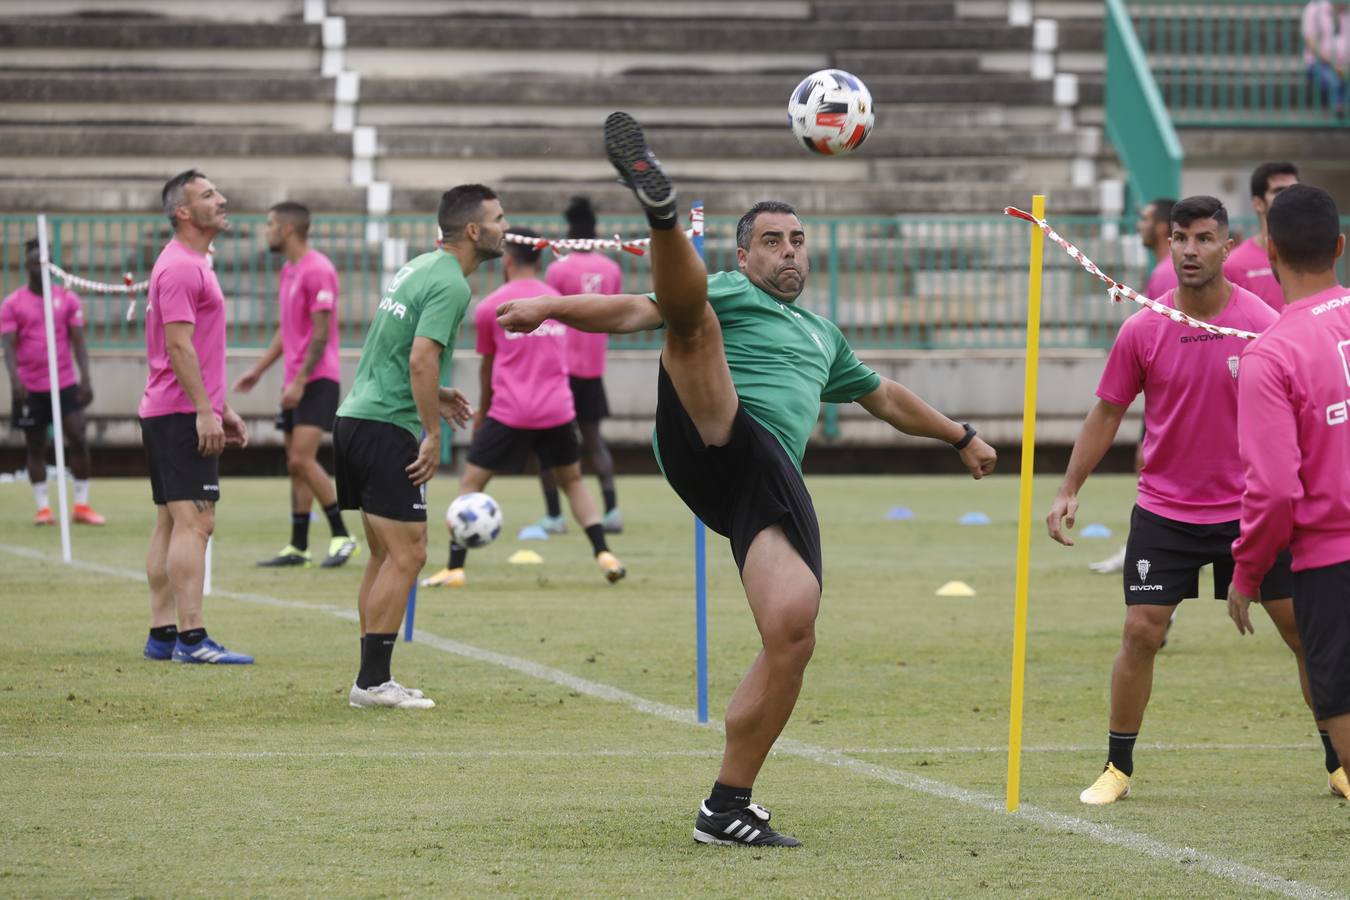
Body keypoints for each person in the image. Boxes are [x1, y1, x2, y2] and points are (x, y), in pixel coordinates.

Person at [497, 112, 998, 847]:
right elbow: (639, 309)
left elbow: (883, 397)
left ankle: (726, 806)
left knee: (792, 631)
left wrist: (960, 435)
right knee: (689, 316)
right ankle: (662, 216)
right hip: (712, 428)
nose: (788, 253)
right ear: (743, 252)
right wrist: (550, 306)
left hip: (756, 483)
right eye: (772, 241)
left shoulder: (824, 335)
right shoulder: (732, 290)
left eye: (796, 241)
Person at [1046, 195, 1335, 805]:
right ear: (1168, 244)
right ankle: (1117, 768)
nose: (1189, 251)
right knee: (1140, 633)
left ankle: (1338, 762)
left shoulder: (1263, 322)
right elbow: (1107, 412)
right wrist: (1070, 488)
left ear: (1228, 247)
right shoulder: (1144, 325)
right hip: (1165, 511)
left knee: (1303, 634)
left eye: (1204, 239)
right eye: (1180, 238)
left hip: (1249, 512)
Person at [331, 184, 485, 709]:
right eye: (499, 219)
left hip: (356, 418)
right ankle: (372, 684)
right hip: (386, 429)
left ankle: (370, 677)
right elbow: (421, 358)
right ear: (472, 230)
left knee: (383, 554)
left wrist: (436, 394)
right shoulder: (452, 285)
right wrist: (434, 433)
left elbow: (395, 353)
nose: (506, 229)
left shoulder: (418, 267)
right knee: (410, 553)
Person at [420, 227, 626, 590]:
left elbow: (488, 366)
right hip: (557, 410)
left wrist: (483, 412)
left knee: (471, 483)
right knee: (573, 482)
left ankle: (455, 567)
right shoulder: (559, 302)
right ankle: (603, 553)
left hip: (510, 411)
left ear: (509, 260)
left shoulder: (490, 306)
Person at [1230, 184, 1350, 799]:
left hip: (1332, 563)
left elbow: (1274, 490)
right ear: (1339, 245)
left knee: (1341, 704)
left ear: (1269, 250)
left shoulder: (1271, 354)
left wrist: (1248, 571)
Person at [139, 169, 252, 665]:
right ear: (182, 212)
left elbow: (195, 349)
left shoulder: (192, 262)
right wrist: (205, 411)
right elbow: (178, 346)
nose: (221, 200)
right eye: (208, 195)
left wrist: (221, 406)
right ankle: (192, 638)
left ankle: (162, 635)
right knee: (197, 523)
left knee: (170, 521)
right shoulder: (182, 267)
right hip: (181, 412)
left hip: (176, 408)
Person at [232, 201, 359, 569]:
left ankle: (342, 535)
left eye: (270, 224)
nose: (266, 230)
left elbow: (320, 335)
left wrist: (301, 381)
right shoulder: (289, 270)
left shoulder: (318, 270)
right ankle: (298, 546)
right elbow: (288, 331)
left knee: (302, 459)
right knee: (295, 465)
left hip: (317, 380)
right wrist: (259, 370)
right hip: (297, 381)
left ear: (288, 229)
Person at [1088, 198, 1179, 576]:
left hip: (1168, 397)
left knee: (1154, 470)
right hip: (1165, 394)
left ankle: (1146, 549)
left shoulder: (1165, 274)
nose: (1139, 225)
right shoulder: (1161, 271)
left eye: (1144, 218)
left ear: (1161, 228)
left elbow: (1164, 340)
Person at [535, 196, 626, 535]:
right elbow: (613, 311)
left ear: (571, 231)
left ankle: (555, 516)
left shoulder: (558, 269)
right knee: (594, 440)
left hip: (562, 370)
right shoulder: (611, 269)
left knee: (549, 443)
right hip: (593, 369)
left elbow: (550, 315)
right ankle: (613, 511)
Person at [2, 238, 104, 526]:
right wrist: (15, 381)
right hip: (31, 386)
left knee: (78, 437)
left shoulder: (67, 299)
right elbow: (8, 346)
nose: (40, 268)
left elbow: (78, 342)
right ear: (27, 266)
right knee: (35, 446)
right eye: (35, 263)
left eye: (45, 263)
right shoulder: (13, 303)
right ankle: (43, 508)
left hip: (65, 383)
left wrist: (86, 378)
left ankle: (82, 505)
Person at [1223, 162, 1299, 311]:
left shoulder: (1312, 257)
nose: (1291, 197)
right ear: (1258, 203)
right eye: (1279, 191)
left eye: (1295, 190)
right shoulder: (1233, 265)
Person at [1301, 1, 1349, 112]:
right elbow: (1310, 41)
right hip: (1320, 63)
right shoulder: (1314, 8)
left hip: (1345, 64)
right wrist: (1334, 65)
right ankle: (1339, 107)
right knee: (1332, 80)